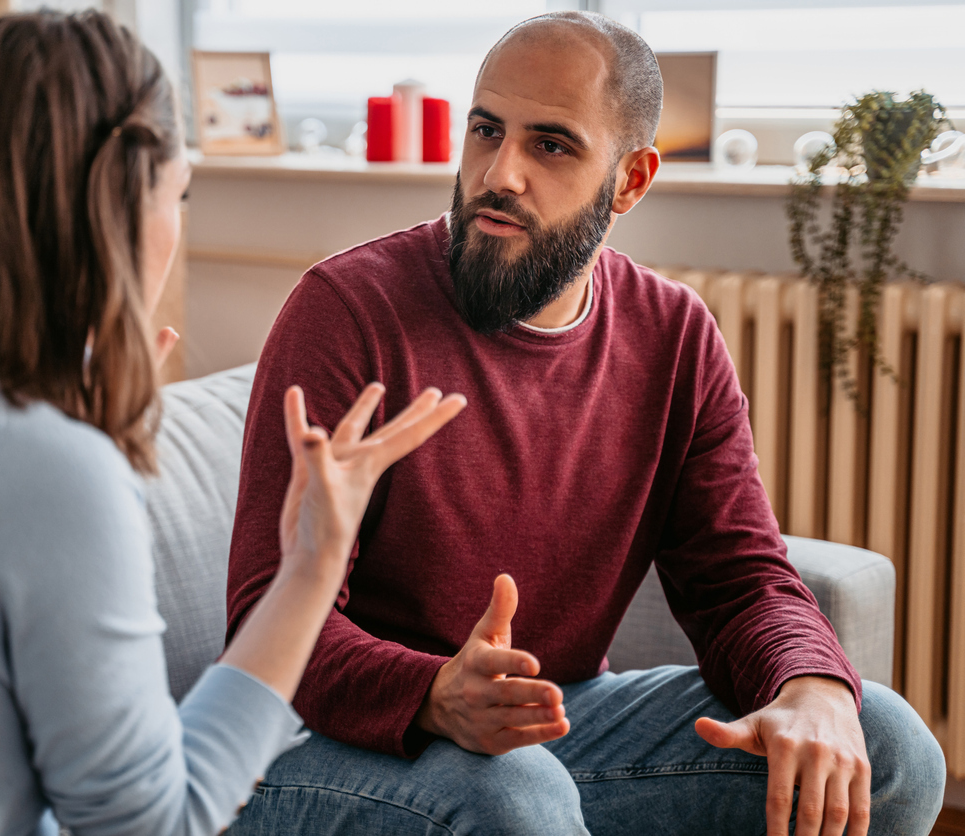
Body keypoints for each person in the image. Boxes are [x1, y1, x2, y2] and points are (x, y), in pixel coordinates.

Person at [0, 12, 466, 836]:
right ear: (119, 201)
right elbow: (154, 822)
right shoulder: (35, 461)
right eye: (178, 192)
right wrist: (312, 565)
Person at [225, 11, 945, 836]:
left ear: (631, 180)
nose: (500, 173)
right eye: (486, 129)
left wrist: (811, 689)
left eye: (551, 145)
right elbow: (264, 619)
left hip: (556, 727)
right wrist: (433, 695)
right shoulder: (347, 313)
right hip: (328, 746)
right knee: (515, 795)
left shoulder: (674, 336)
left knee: (888, 748)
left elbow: (739, 576)